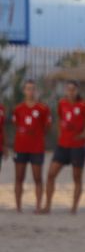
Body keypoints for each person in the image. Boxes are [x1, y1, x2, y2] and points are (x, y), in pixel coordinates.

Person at [43, 80, 85, 214]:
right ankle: (47, 205)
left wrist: (84, 134)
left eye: (73, 89)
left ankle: (74, 208)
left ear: (77, 91)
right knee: (51, 174)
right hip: (63, 145)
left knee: (77, 177)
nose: (71, 92)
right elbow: (60, 118)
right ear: (65, 90)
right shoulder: (62, 103)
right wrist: (60, 134)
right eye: (68, 89)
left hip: (78, 146)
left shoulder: (84, 105)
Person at [11, 80, 51, 213]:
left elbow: (47, 127)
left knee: (38, 178)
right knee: (19, 177)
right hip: (20, 147)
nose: (30, 91)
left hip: (37, 148)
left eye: (33, 89)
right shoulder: (18, 109)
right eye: (28, 89)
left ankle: (38, 206)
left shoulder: (43, 108)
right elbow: (16, 125)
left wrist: (36, 135)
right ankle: (18, 207)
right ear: (24, 91)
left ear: (36, 91)